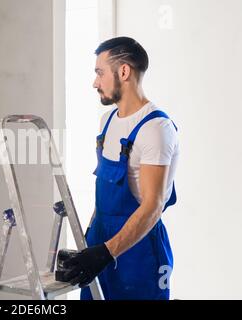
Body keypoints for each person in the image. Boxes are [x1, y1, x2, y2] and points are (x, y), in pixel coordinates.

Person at [62, 37, 179, 300]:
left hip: (138, 254)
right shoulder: (107, 121)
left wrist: (106, 252)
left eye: (99, 73)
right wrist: (91, 241)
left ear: (123, 71)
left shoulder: (155, 129)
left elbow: (152, 206)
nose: (95, 82)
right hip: (101, 242)